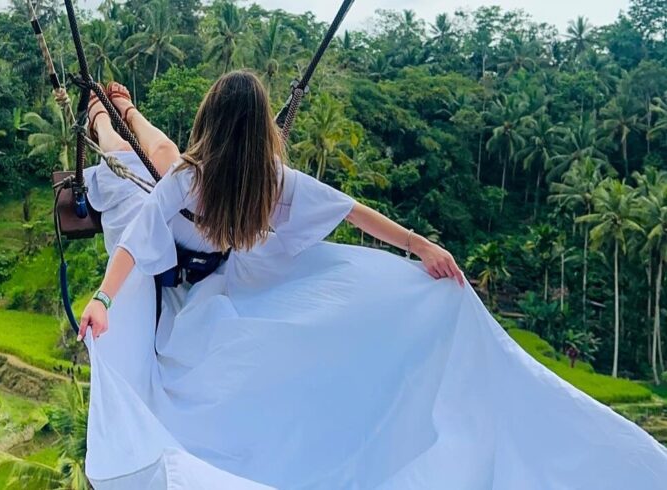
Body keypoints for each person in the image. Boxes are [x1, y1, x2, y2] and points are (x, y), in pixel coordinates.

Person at [77, 72, 667, 489]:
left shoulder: (269, 180)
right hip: (165, 271)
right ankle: (110, 113)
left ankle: (114, 112)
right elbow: (133, 245)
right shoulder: (198, 179)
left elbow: (348, 209)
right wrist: (106, 297)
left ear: (213, 124)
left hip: (206, 282)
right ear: (261, 130)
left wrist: (421, 247)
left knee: (146, 157)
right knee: (138, 161)